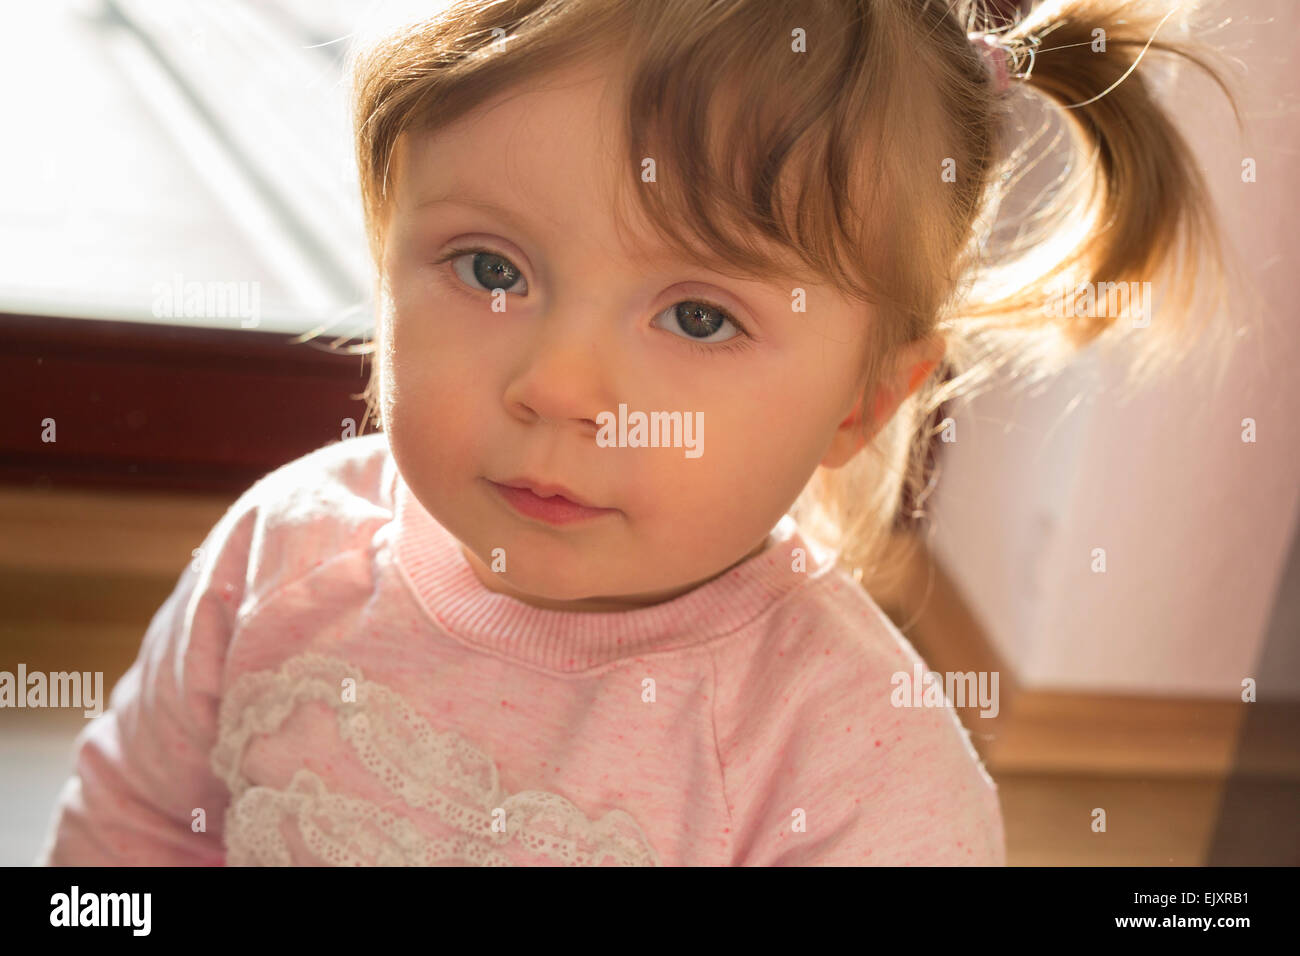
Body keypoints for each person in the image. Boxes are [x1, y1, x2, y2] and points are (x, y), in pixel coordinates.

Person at [39, 0, 1240, 865]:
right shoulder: (280, 553)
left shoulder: (852, 762)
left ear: (861, 402)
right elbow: (131, 827)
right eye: (490, 266)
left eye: (701, 314)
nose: (559, 384)